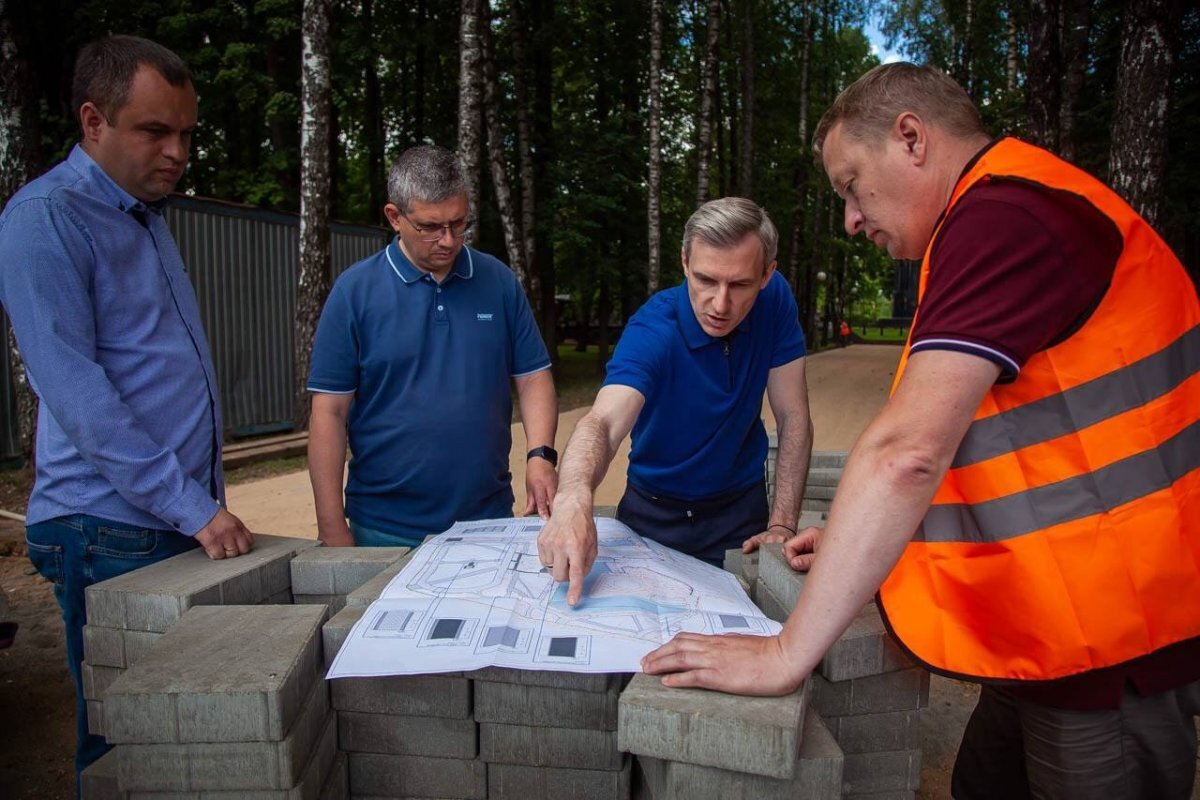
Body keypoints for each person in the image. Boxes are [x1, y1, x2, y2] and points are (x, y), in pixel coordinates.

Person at [642, 63, 1200, 799]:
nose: (849, 217)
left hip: (1114, 634)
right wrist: (847, 534)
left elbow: (909, 450)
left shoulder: (1006, 219)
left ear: (911, 139)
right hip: (1049, 624)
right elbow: (1004, 444)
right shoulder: (990, 221)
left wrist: (786, 651)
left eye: (850, 185)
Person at [0, 36, 253, 786]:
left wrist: (196, 506)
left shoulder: (142, 211)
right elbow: (75, 391)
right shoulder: (46, 217)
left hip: (162, 518)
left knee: (175, 739)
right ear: (93, 121)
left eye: (185, 134)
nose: (176, 152)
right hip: (108, 525)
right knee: (123, 744)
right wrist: (194, 507)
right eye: (154, 131)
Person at [538, 197, 814, 605]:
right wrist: (573, 496)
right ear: (684, 262)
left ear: (767, 275)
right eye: (705, 280)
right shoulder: (654, 329)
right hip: (653, 518)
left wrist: (784, 525)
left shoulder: (775, 301)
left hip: (742, 513)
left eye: (739, 285)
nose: (720, 305)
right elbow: (604, 422)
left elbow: (793, 416)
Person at [306, 145, 558, 548]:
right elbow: (329, 414)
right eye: (431, 226)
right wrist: (332, 526)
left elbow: (532, 378)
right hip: (383, 529)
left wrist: (540, 455)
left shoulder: (498, 282)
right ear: (394, 217)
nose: (448, 240)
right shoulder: (354, 293)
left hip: (487, 522)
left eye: (459, 224)